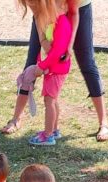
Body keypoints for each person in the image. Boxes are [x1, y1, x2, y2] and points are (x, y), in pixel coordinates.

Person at [1, 0, 108, 142]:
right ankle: (16, 118)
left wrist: (69, 44)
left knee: (87, 64)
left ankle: (103, 122)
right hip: (48, 9)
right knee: (31, 63)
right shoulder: (39, 5)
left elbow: (73, 12)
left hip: (77, 8)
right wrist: (43, 41)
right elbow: (37, 16)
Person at [21, 0, 72, 146]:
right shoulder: (53, 23)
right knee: (53, 100)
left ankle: (48, 135)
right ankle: (54, 129)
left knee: (49, 101)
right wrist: (40, 63)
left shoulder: (62, 24)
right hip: (52, 69)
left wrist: (42, 66)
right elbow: (47, 48)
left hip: (56, 70)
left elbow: (57, 51)